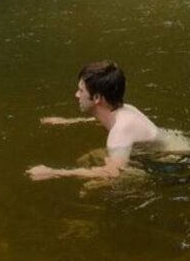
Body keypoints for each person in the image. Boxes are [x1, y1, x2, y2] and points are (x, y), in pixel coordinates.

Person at [26, 60, 162, 181]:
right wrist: (68, 121)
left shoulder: (119, 133)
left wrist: (53, 173)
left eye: (81, 91)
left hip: (171, 167)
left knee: (110, 168)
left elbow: (113, 174)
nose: (76, 95)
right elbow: (99, 119)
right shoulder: (125, 110)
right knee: (95, 157)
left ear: (97, 97)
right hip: (167, 151)